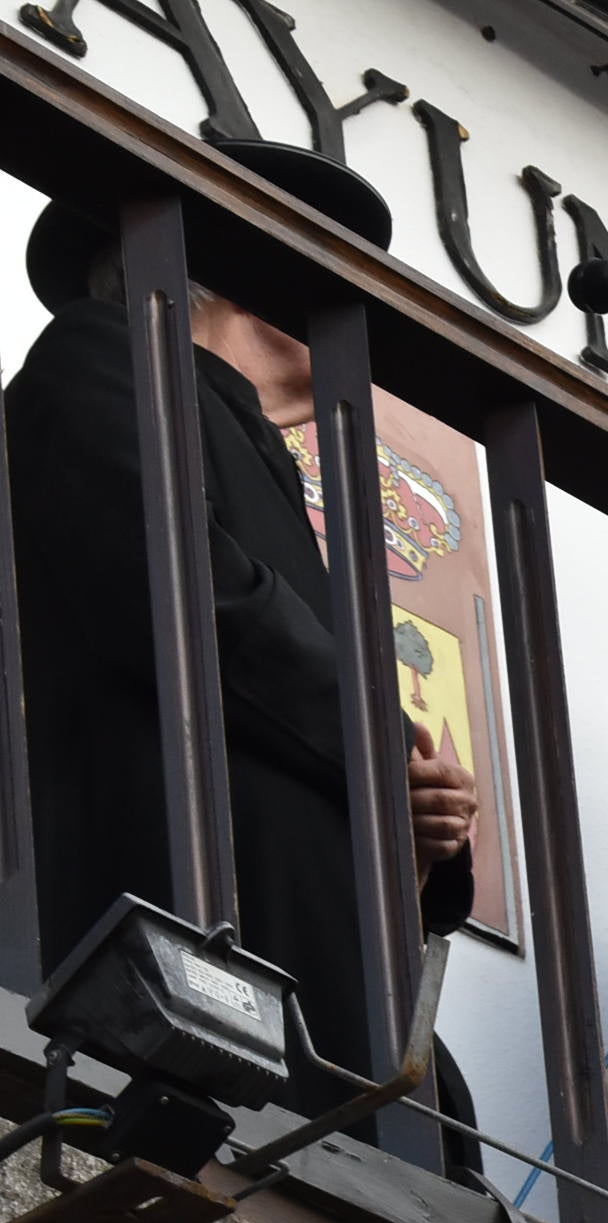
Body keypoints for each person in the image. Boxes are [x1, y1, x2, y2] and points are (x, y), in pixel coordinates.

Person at [9, 140, 480, 1153]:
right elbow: (180, 588)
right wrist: (384, 747)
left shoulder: (255, 455)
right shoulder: (99, 356)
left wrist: (419, 830)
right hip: (175, 963)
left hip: (291, 985)